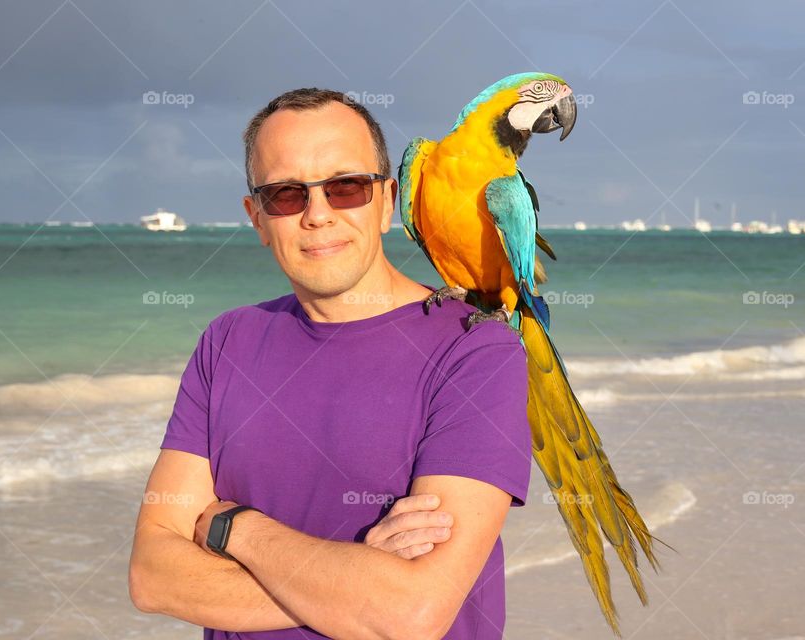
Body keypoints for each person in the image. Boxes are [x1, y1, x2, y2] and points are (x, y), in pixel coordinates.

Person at [128, 87, 532, 639]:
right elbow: (153, 577)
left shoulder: (476, 350)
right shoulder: (227, 342)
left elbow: (410, 615)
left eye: (346, 188)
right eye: (286, 194)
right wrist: (356, 576)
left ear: (389, 201)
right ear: (257, 218)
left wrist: (233, 530)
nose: (318, 215)